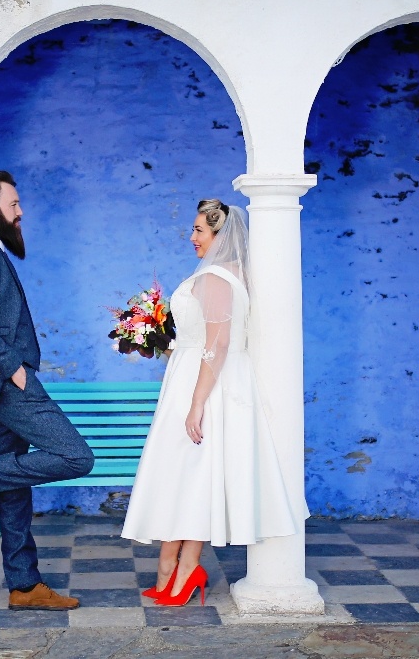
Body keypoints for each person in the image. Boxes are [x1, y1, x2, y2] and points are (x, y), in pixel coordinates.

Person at [120, 199, 307, 606]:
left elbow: (217, 344)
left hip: (204, 384)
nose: (192, 237)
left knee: (187, 477)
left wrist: (196, 403)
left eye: (199, 231)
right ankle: (176, 567)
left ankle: (182, 570)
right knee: (189, 479)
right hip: (197, 375)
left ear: (220, 236)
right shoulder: (228, 275)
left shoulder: (216, 278)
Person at [0, 170, 94, 611]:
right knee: (77, 456)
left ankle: (24, 585)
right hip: (5, 381)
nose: (21, 212)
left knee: (15, 492)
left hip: (0, 384)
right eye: (14, 205)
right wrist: (13, 368)